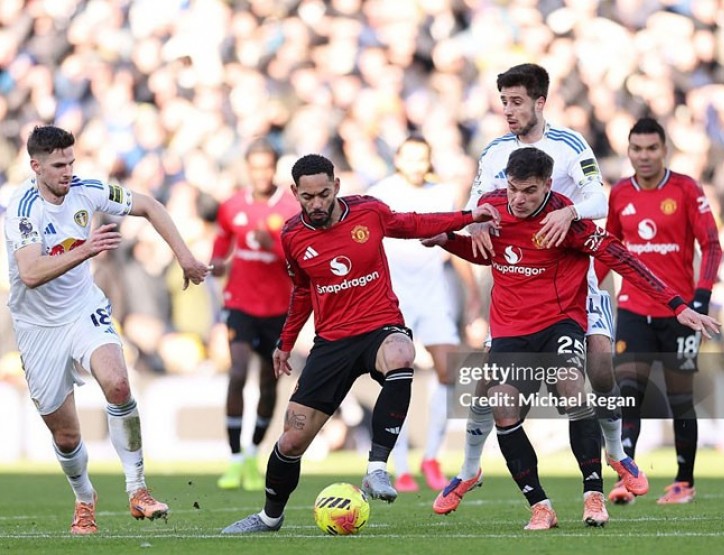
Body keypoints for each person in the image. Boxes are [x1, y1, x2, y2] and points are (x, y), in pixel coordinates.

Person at [427, 147, 719, 529]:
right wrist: (446, 239)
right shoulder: (493, 207)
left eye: (529, 191)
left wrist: (676, 304)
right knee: (502, 407)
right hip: (511, 328)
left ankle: (594, 493)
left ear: (548, 184)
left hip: (559, 321)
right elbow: (490, 253)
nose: (518, 199)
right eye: (513, 189)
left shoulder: (567, 218)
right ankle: (540, 505)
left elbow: (622, 258)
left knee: (576, 388)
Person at [221, 153, 497, 534]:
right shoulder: (293, 235)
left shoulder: (368, 212)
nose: (317, 204)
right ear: (295, 194)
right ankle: (270, 517)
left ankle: (377, 467)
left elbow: (413, 223)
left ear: (336, 186)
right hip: (332, 342)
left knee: (401, 353)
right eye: (307, 197)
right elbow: (302, 291)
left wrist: (467, 217)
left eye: (323, 194)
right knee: (292, 441)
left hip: (379, 327)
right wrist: (286, 341)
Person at [434, 63, 648, 515]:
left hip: (575, 279)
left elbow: (600, 199)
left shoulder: (570, 144)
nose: (508, 110)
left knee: (601, 367)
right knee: (490, 386)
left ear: (540, 102)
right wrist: (473, 225)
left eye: (516, 102)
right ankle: (469, 468)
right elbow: (475, 206)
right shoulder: (495, 152)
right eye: (504, 102)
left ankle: (616, 452)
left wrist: (569, 213)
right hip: (518, 282)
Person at [3, 125, 210, 535]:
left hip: (84, 309)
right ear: (36, 167)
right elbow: (30, 273)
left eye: (70, 162)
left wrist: (185, 257)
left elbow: (149, 205)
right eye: (58, 165)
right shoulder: (23, 208)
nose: (67, 171)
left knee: (118, 383)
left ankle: (138, 490)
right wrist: (86, 249)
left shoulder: (88, 190)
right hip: (38, 326)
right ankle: (85, 498)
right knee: (66, 436)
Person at [596, 117, 722, 505]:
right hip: (633, 309)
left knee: (680, 398)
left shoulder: (686, 189)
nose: (644, 156)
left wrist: (700, 298)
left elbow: (711, 244)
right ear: (628, 151)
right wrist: (587, 291)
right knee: (628, 392)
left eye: (652, 148)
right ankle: (628, 478)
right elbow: (609, 248)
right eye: (637, 149)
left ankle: (684, 481)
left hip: (679, 312)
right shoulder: (620, 192)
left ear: (664, 150)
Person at [367, 135, 481, 492]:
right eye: (410, 158)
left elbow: (453, 244)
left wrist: (473, 294)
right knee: (395, 377)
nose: (416, 165)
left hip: (433, 295)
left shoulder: (442, 194)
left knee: (448, 371)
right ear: (398, 159)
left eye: (422, 158)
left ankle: (431, 457)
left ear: (429, 161)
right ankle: (400, 466)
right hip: (395, 298)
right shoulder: (380, 193)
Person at [211, 138, 298, 491]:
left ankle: (252, 452)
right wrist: (217, 262)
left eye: (267, 167)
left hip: (278, 308)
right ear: (247, 169)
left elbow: (299, 257)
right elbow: (222, 241)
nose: (261, 174)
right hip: (240, 303)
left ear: (274, 168)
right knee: (237, 371)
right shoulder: (231, 206)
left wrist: (273, 245)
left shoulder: (291, 208)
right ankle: (234, 458)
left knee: (268, 381)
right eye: (255, 167)